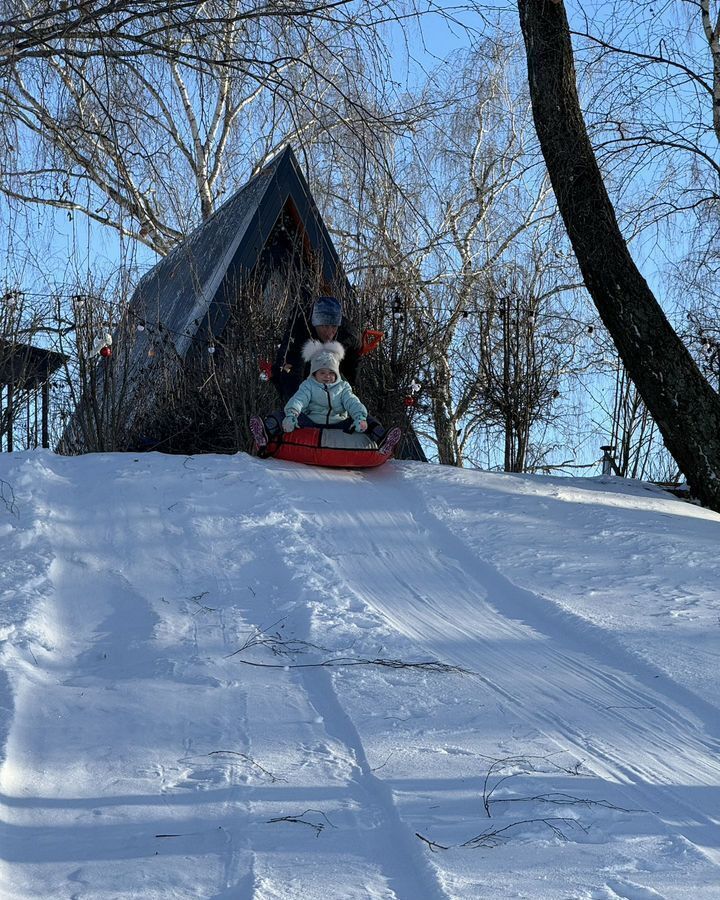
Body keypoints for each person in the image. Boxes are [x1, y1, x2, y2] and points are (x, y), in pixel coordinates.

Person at [251, 340, 401, 456]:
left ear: (336, 374)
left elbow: (352, 402)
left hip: (339, 422)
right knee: (281, 414)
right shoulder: (308, 385)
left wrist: (359, 417)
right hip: (312, 421)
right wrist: (292, 415)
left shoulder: (343, 387)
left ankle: (382, 439)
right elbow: (299, 399)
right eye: (322, 373)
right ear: (314, 373)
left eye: (330, 373)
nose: (327, 376)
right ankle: (265, 431)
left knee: (368, 418)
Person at [271, 295, 362, 404]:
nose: (329, 332)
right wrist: (295, 401)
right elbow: (291, 366)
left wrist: (350, 383)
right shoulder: (300, 330)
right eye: (325, 326)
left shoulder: (348, 334)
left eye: (333, 326)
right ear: (315, 323)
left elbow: (354, 357)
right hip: (300, 365)